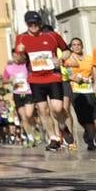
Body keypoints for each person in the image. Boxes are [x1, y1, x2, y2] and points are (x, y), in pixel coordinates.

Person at [14, 11, 69, 151]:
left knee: (57, 108)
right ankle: (53, 138)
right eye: (30, 23)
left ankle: (62, 127)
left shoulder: (52, 35)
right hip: (35, 79)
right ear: (26, 24)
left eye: (36, 23)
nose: (34, 26)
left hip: (53, 77)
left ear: (40, 22)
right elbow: (18, 61)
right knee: (43, 110)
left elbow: (66, 50)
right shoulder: (21, 38)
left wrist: (61, 59)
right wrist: (19, 53)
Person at [61, 37, 96, 150]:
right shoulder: (69, 60)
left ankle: (91, 141)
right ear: (71, 47)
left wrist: (92, 79)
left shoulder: (89, 59)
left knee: (92, 116)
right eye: (74, 45)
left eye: (79, 44)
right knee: (82, 118)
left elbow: (95, 71)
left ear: (82, 46)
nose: (76, 46)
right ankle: (89, 134)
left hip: (90, 90)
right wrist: (75, 78)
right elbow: (67, 74)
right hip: (75, 91)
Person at [3, 50, 38, 146]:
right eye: (14, 56)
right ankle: (31, 139)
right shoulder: (9, 67)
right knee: (23, 117)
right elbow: (4, 79)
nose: (16, 58)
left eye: (17, 56)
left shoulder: (26, 66)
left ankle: (34, 128)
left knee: (29, 115)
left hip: (28, 92)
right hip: (17, 94)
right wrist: (9, 80)